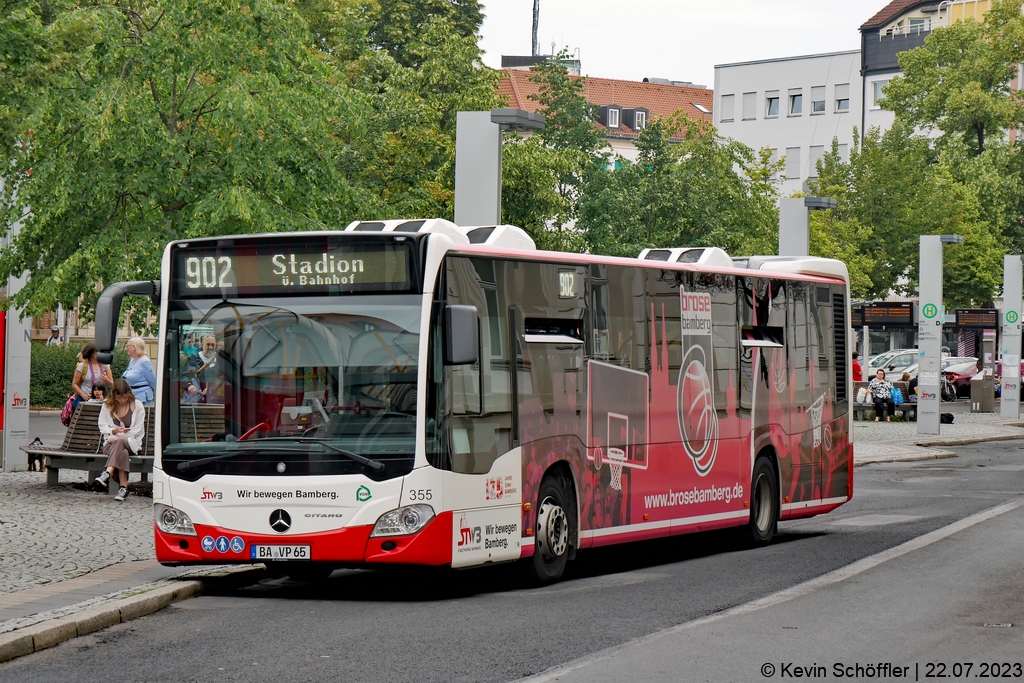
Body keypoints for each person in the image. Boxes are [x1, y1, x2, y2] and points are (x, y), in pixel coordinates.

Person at [94, 379, 145, 502]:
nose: (122, 400)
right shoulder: (107, 404)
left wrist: (123, 435)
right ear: (114, 395)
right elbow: (102, 425)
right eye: (119, 398)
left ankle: (107, 473)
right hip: (111, 443)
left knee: (121, 441)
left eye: (125, 397)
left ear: (129, 394)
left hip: (131, 442)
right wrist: (114, 431)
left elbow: (138, 429)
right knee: (123, 452)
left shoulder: (137, 405)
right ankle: (123, 488)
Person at [71, 342, 113, 413]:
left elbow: (112, 385)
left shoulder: (105, 366)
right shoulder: (82, 366)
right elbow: (74, 384)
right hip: (85, 400)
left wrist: (107, 381)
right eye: (97, 351)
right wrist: (83, 395)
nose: (99, 353)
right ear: (90, 353)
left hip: (101, 400)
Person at [122, 337, 157, 406]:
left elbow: (153, 381)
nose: (126, 348)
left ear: (135, 347)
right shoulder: (132, 361)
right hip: (131, 396)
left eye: (128, 346)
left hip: (142, 398)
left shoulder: (144, 361)